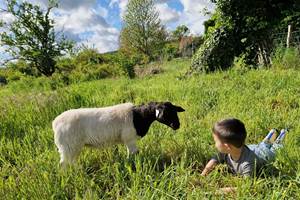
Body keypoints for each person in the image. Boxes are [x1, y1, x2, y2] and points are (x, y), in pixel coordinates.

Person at [201, 118, 287, 178]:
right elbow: (214, 160)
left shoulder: (248, 164)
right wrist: (203, 175)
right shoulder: (226, 152)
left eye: (216, 141)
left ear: (227, 146)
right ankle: (268, 139)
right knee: (262, 145)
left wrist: (218, 191)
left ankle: (280, 138)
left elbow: (247, 185)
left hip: (265, 155)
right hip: (253, 148)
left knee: (274, 149)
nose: (214, 144)